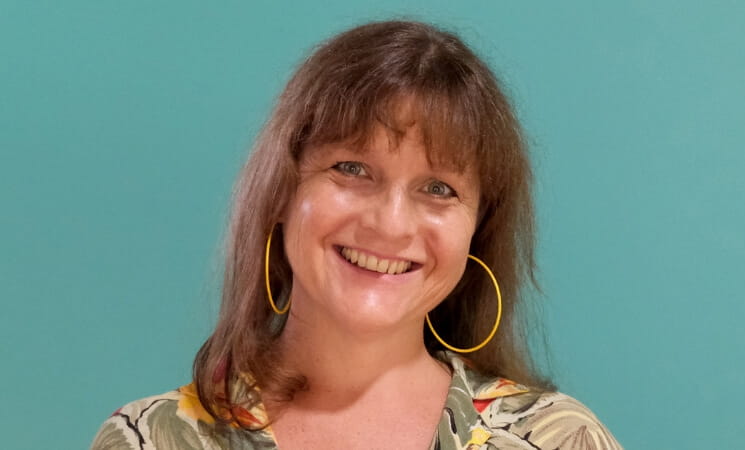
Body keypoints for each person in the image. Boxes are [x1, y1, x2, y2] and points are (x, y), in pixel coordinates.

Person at [91, 20, 621, 449]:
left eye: (438, 187)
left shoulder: (558, 439)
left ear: (478, 231)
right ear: (279, 194)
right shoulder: (150, 440)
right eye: (351, 168)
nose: (389, 224)